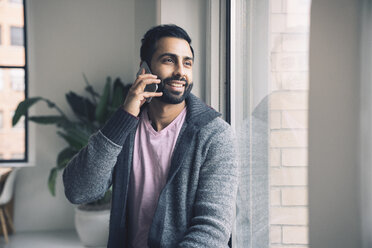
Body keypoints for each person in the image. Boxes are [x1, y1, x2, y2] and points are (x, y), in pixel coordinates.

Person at [63, 24, 238, 248]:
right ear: (144, 68)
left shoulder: (215, 135)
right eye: (168, 60)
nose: (180, 72)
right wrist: (124, 117)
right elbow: (79, 191)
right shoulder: (125, 129)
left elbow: (212, 229)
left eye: (187, 63)